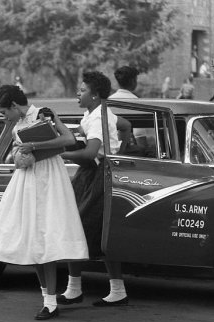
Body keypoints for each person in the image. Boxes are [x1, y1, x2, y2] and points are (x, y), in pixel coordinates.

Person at [0, 85, 88, 320]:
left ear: (14, 106)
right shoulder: (14, 126)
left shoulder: (45, 113)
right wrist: (19, 155)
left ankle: (51, 302)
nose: (4, 118)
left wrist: (35, 145)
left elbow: (68, 139)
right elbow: (17, 152)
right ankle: (47, 299)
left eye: (4, 112)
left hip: (49, 178)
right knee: (32, 237)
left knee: (46, 235)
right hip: (27, 179)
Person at [57, 71, 128, 307]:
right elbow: (126, 125)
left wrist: (60, 153)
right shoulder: (97, 113)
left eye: (83, 90)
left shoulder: (98, 118)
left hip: (99, 175)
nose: (78, 92)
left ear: (95, 95)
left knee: (80, 228)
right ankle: (110, 289)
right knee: (97, 232)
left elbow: (89, 153)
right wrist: (122, 150)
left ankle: (77, 288)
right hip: (96, 173)